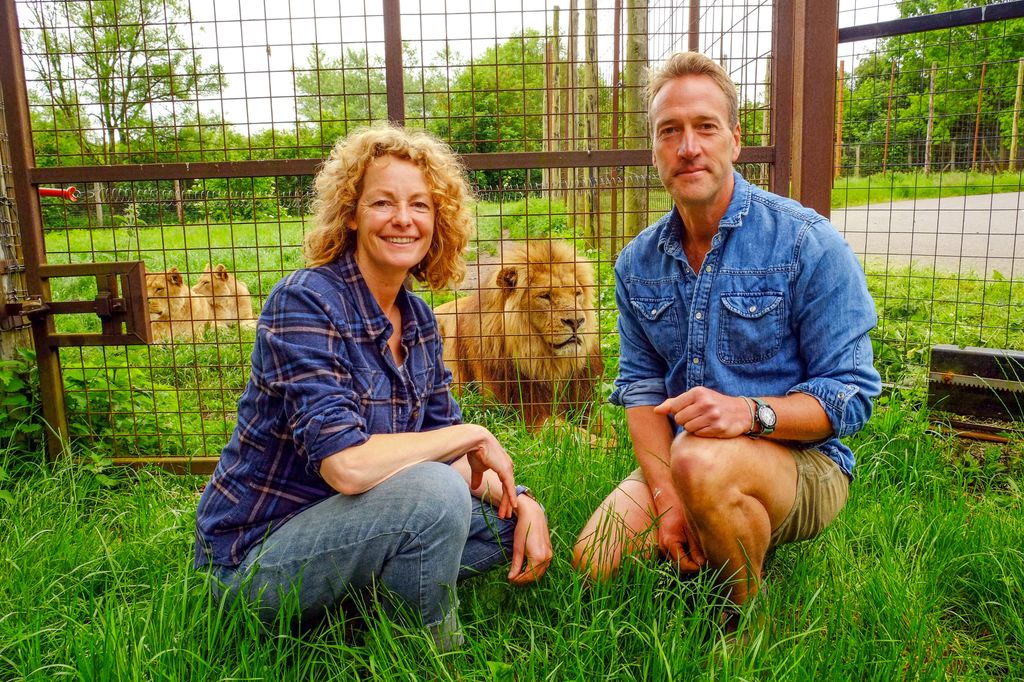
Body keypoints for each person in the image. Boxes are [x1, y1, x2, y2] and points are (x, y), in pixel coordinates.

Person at [195, 124, 552, 649]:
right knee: (434, 495)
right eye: (383, 202)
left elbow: (446, 446)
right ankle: (430, 655)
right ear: (353, 214)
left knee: (506, 528)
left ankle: (353, 619)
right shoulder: (305, 301)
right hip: (255, 560)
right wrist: (474, 433)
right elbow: (347, 465)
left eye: (420, 205)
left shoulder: (421, 320)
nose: (403, 219)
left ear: (439, 221)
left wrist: (522, 501)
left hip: (351, 529)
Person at [572, 52, 881, 632]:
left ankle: (737, 629)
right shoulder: (636, 264)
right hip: (687, 461)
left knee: (702, 457)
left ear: (735, 140)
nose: (689, 146)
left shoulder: (805, 242)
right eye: (671, 131)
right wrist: (667, 504)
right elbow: (641, 393)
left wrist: (748, 413)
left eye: (705, 127)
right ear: (656, 149)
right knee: (595, 561)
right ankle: (712, 532)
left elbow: (852, 397)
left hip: (802, 462)